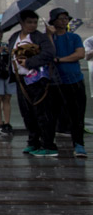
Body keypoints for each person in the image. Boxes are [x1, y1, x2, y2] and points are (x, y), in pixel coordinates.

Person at [7, 9, 61, 157]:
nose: (32, 25)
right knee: (27, 113)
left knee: (43, 112)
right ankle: (33, 142)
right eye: (29, 22)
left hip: (38, 80)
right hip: (21, 80)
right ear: (21, 23)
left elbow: (49, 54)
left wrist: (29, 62)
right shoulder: (14, 37)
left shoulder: (40, 37)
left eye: (35, 22)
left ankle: (48, 144)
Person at [45, 8, 86, 158]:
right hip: (54, 82)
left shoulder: (74, 37)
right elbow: (49, 54)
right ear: (54, 20)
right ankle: (49, 144)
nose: (64, 21)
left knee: (77, 115)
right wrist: (49, 36)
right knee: (51, 115)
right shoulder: (47, 38)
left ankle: (79, 144)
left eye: (66, 18)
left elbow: (80, 54)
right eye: (61, 18)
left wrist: (60, 60)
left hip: (74, 80)